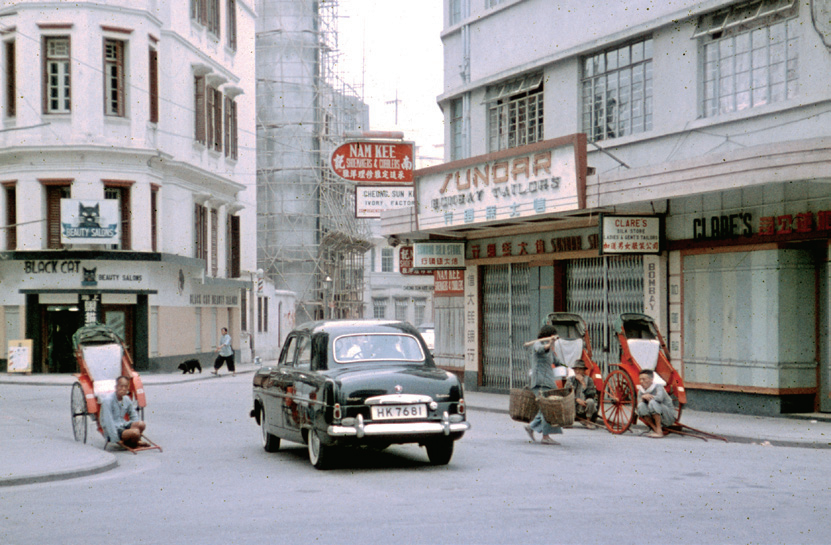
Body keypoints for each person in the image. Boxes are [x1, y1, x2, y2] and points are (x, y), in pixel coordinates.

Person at [524, 324, 564, 445]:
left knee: (547, 408)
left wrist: (569, 369)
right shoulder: (538, 344)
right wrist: (549, 343)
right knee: (547, 408)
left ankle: (531, 427)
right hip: (540, 381)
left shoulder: (551, 350)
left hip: (549, 381)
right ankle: (545, 436)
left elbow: (557, 362)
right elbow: (542, 350)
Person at [100, 376, 147, 448]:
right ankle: (133, 440)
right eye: (121, 386)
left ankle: (134, 440)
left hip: (123, 425)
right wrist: (115, 438)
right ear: (116, 387)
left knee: (141, 424)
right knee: (135, 432)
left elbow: (134, 415)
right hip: (114, 429)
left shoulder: (126, 398)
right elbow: (108, 421)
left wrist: (135, 428)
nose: (123, 389)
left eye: (126, 387)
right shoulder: (108, 401)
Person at [636, 369, 676, 438]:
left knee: (653, 402)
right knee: (641, 405)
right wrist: (643, 398)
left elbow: (659, 398)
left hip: (667, 416)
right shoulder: (641, 390)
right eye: (640, 379)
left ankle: (659, 430)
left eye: (644, 379)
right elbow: (638, 404)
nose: (641, 382)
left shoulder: (658, 387)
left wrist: (650, 397)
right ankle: (655, 429)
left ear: (651, 380)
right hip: (654, 414)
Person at [566, 361, 598, 428]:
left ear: (583, 370)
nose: (577, 371)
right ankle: (568, 420)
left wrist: (583, 383)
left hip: (584, 405)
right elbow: (567, 393)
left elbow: (591, 394)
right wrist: (577, 399)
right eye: (576, 369)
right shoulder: (570, 380)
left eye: (580, 369)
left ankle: (588, 422)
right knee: (567, 401)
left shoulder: (589, 380)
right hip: (573, 404)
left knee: (591, 401)